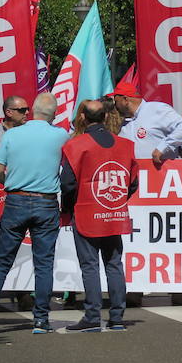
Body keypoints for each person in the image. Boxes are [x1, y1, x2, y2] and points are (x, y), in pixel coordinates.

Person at [0, 93, 69, 335]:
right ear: (54, 114)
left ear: (34, 111)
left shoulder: (13, 134)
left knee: (2, 260)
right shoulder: (60, 135)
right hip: (46, 202)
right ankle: (41, 319)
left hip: (16, 199)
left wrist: (12, 181)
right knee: (44, 264)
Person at [59, 100, 139, 332]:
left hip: (85, 212)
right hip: (113, 212)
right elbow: (132, 182)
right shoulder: (126, 145)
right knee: (114, 264)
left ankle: (92, 316)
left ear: (83, 118)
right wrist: (117, 201)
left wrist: (68, 208)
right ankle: (116, 317)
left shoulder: (76, 145)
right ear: (105, 118)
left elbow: (67, 184)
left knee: (90, 266)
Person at [111, 81, 182, 167]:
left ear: (125, 100)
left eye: (116, 102)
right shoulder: (125, 124)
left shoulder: (156, 109)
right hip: (136, 176)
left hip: (160, 175)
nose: (115, 107)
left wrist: (163, 147)